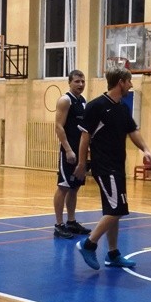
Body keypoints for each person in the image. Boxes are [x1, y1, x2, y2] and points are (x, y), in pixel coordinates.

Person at [74, 66, 151, 269]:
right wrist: (82, 164)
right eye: (129, 81)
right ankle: (88, 244)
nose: (131, 85)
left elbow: (133, 131)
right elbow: (84, 137)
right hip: (104, 166)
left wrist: (145, 149)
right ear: (120, 82)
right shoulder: (96, 106)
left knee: (113, 210)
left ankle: (112, 253)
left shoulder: (123, 108)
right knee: (117, 209)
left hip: (118, 166)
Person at [52, 70, 92, 239]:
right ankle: (59, 225)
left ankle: (71, 221)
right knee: (64, 186)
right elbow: (58, 126)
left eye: (83, 81)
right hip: (69, 151)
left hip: (80, 151)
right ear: (69, 82)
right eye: (77, 81)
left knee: (74, 187)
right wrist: (68, 149)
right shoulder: (65, 100)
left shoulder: (82, 101)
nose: (81, 84)